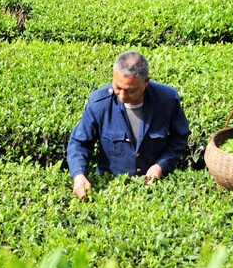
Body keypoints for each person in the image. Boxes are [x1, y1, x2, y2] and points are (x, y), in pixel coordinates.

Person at [67, 51, 191, 200]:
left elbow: (179, 137)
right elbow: (79, 143)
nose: (123, 96)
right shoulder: (99, 103)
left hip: (155, 191)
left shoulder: (167, 100)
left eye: (131, 90)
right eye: (118, 88)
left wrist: (161, 166)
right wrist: (79, 175)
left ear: (146, 82)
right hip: (112, 190)